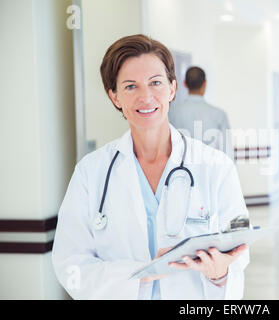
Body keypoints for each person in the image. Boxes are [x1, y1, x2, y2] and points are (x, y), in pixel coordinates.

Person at [52, 34, 249, 299]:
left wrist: (219, 274)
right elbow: (70, 265)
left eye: (155, 83)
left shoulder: (217, 167)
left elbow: (238, 254)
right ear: (114, 96)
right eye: (131, 86)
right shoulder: (90, 173)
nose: (146, 97)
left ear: (172, 88)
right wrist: (143, 272)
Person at [168, 66, 232, 159]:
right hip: (211, 170)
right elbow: (227, 152)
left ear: (185, 84)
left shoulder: (171, 112)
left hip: (180, 170)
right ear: (205, 84)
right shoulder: (219, 115)